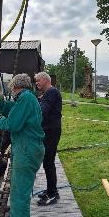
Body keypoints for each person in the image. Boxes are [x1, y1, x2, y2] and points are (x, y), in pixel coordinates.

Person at [0, 73, 45, 217]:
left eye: (10, 88)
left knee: (18, 199)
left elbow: (13, 124)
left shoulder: (24, 98)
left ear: (16, 86)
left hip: (25, 151)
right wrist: (1, 102)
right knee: (21, 196)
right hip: (29, 150)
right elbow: (13, 110)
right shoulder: (27, 99)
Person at [34, 71, 62, 206]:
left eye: (38, 81)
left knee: (48, 162)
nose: (36, 83)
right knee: (47, 162)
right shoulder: (47, 94)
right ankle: (51, 189)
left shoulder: (52, 92)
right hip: (48, 131)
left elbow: (42, 111)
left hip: (51, 132)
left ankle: (52, 193)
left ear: (45, 80)